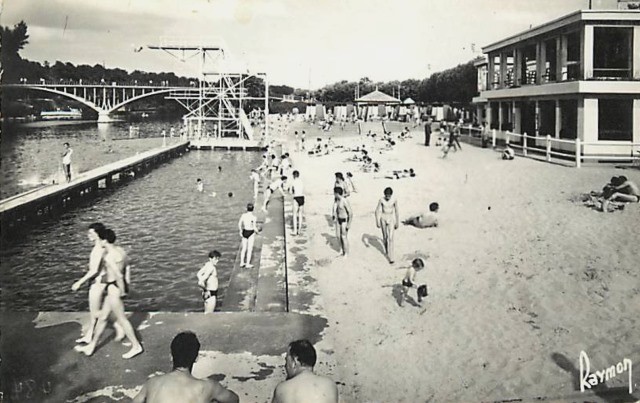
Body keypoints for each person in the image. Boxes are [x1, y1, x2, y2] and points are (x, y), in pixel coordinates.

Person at [74, 229, 144, 359]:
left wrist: (123, 291)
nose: (99, 242)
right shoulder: (121, 251)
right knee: (103, 318)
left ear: (105, 240)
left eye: (100, 239)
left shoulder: (109, 256)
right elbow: (127, 267)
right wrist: (127, 283)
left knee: (122, 319)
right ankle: (92, 346)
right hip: (115, 287)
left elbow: (117, 274)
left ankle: (136, 346)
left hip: (115, 289)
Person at [133, 331, 239, 403]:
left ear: (171, 356)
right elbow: (234, 399)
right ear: (196, 358)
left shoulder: (153, 383)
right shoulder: (207, 386)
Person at [71, 223, 124, 345]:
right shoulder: (103, 248)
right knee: (94, 312)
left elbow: (94, 270)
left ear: (98, 235)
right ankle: (90, 335)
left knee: (95, 313)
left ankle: (119, 324)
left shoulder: (98, 250)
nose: (88, 235)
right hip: (101, 282)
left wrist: (79, 282)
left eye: (91, 233)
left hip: (97, 283)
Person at [271, 339, 338, 403]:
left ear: (295, 360)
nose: (285, 366)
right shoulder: (330, 385)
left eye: (287, 360)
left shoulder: (282, 389)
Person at [375, 187, 399, 264]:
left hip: (391, 217)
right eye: (386, 195)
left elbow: (397, 211)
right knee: (385, 237)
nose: (387, 197)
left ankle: (391, 257)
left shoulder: (394, 200)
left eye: (389, 196)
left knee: (391, 238)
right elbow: (377, 211)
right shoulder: (381, 200)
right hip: (383, 217)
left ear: (391, 195)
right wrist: (377, 221)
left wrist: (397, 222)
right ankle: (386, 251)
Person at [332, 187, 352, 257]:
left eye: (334, 193)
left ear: (337, 193)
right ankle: (341, 249)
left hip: (344, 220)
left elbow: (350, 213)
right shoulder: (336, 200)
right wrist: (333, 215)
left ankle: (346, 253)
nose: (333, 194)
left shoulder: (344, 201)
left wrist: (349, 224)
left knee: (343, 237)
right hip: (338, 219)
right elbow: (334, 208)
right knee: (338, 236)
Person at [290, 170, 305, 236]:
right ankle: (299, 230)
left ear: (293, 175)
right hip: (302, 197)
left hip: (296, 197)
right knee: (300, 214)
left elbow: (291, 191)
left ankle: (295, 231)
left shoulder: (293, 182)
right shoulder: (301, 181)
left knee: (295, 215)